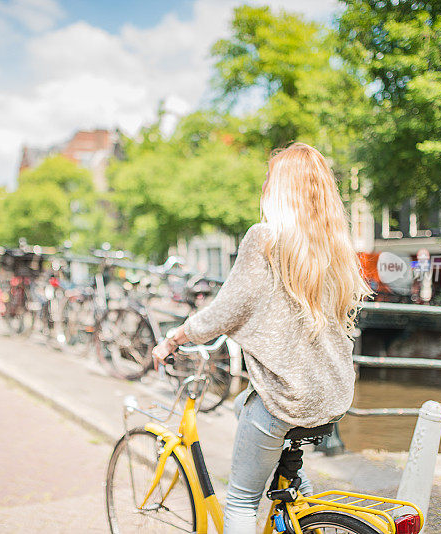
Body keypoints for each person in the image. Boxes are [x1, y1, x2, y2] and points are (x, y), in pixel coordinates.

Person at [152, 142, 372, 533]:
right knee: (242, 406)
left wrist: (174, 338)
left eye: (269, 179)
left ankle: (295, 507)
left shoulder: (265, 239)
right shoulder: (333, 247)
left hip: (287, 398)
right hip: (331, 394)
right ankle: (302, 510)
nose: (263, 187)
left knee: (239, 500)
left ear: (281, 190)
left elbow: (225, 310)